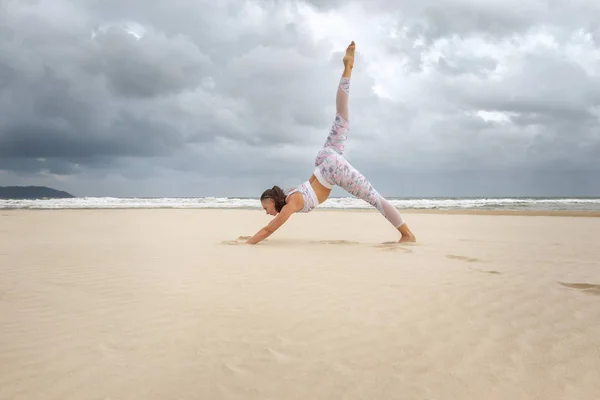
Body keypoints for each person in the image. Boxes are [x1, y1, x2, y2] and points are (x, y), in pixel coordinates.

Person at [246, 41, 416, 245]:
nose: (267, 213)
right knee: (342, 116)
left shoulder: (291, 203)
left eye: (266, 208)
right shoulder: (291, 194)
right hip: (325, 158)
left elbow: (268, 230)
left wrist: (248, 243)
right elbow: (308, 186)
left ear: (273, 202)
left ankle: (407, 234)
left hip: (331, 170)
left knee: (374, 198)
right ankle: (348, 68)